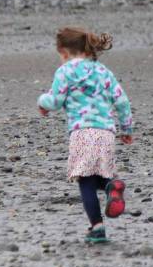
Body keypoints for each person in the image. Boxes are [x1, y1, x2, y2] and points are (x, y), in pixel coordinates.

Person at [37, 26, 134, 244]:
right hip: (106, 133)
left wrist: (41, 102)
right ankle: (111, 186)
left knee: (85, 180)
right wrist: (127, 129)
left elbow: (55, 101)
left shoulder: (65, 71)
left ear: (63, 52)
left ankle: (97, 227)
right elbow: (122, 101)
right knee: (100, 174)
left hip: (82, 133)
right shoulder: (103, 71)